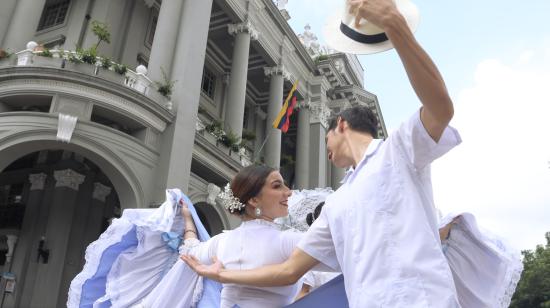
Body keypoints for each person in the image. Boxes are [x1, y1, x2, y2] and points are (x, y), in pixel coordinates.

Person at [182, 0, 464, 306]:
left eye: (326, 136)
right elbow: (290, 270)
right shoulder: (336, 202)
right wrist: (221, 276)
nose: (325, 147)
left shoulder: (396, 151)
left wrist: (396, 28)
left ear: (340, 125)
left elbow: (440, 108)